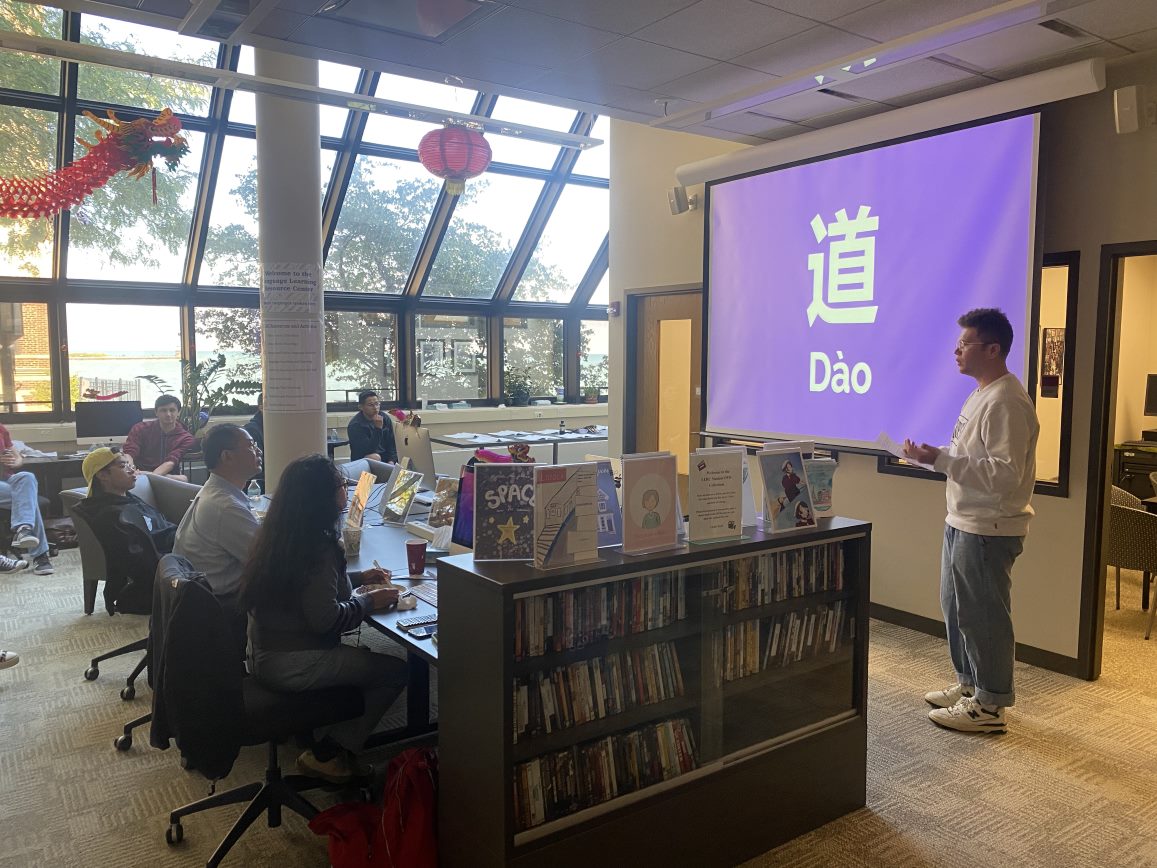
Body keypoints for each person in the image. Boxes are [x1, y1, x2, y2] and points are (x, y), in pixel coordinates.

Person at [904, 308, 1039, 735]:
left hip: (989, 527)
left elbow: (1005, 475)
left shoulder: (1006, 401)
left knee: (984, 616)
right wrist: (933, 458)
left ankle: (990, 705)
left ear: (993, 349)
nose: (956, 351)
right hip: (962, 518)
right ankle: (970, 685)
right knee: (957, 608)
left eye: (965, 344)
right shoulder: (981, 393)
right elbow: (971, 456)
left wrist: (943, 461)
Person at [239, 454, 407, 784]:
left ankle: (322, 733)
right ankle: (329, 755)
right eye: (341, 485)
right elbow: (326, 620)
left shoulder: (282, 535)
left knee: (365, 660)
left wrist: (358, 578)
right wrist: (369, 601)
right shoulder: (319, 546)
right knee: (395, 671)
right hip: (293, 662)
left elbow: (306, 587)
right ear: (322, 497)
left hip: (261, 653)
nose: (346, 490)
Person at [79, 446, 178, 614]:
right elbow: (141, 563)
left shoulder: (128, 498)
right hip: (170, 562)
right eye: (123, 466)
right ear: (103, 475)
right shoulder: (110, 515)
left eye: (130, 465)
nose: (132, 470)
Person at [174, 424, 261, 605]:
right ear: (227, 456)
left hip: (206, 594)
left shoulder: (216, 491)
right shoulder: (226, 506)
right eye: (251, 445)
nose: (258, 451)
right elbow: (269, 560)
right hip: (225, 604)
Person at [0, 423, 53, 574]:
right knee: (27, 499)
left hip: (7, 480)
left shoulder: (1, 429)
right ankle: (40, 555)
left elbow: (17, 457)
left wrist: (14, 461)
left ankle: (24, 530)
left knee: (27, 477)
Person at [123, 394, 195, 480]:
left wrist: (149, 476)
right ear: (156, 412)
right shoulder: (140, 428)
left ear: (178, 412)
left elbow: (171, 462)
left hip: (165, 477)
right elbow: (129, 453)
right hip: (138, 474)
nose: (168, 414)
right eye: (163, 410)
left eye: (172, 410)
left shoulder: (185, 437)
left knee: (183, 479)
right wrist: (130, 470)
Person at [347, 390, 398, 463]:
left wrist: (391, 460)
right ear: (361, 407)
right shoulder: (355, 425)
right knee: (374, 457)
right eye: (370, 405)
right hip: (363, 460)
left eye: (377, 404)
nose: (375, 407)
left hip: (384, 459)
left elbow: (391, 444)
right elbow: (369, 450)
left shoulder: (384, 418)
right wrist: (378, 429)